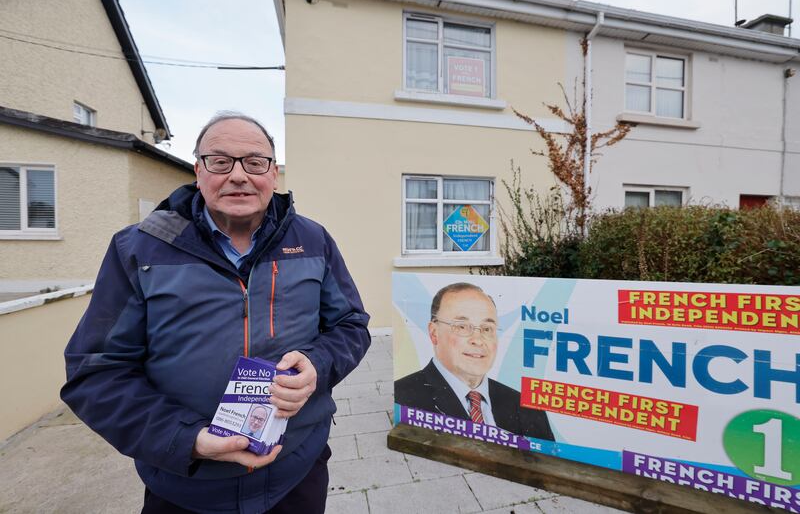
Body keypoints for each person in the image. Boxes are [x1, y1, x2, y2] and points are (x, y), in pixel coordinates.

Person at [61, 112, 371, 514]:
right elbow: (95, 373)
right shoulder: (138, 250)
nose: (239, 175)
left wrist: (318, 364)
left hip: (295, 475)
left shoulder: (313, 240)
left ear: (273, 174)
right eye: (220, 161)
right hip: (185, 487)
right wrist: (187, 439)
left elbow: (352, 325)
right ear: (198, 170)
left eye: (255, 162)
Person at [395, 282, 553, 441]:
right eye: (462, 326)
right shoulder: (402, 397)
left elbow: (549, 461)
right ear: (434, 333)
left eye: (487, 329)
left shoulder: (528, 408)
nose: (477, 340)